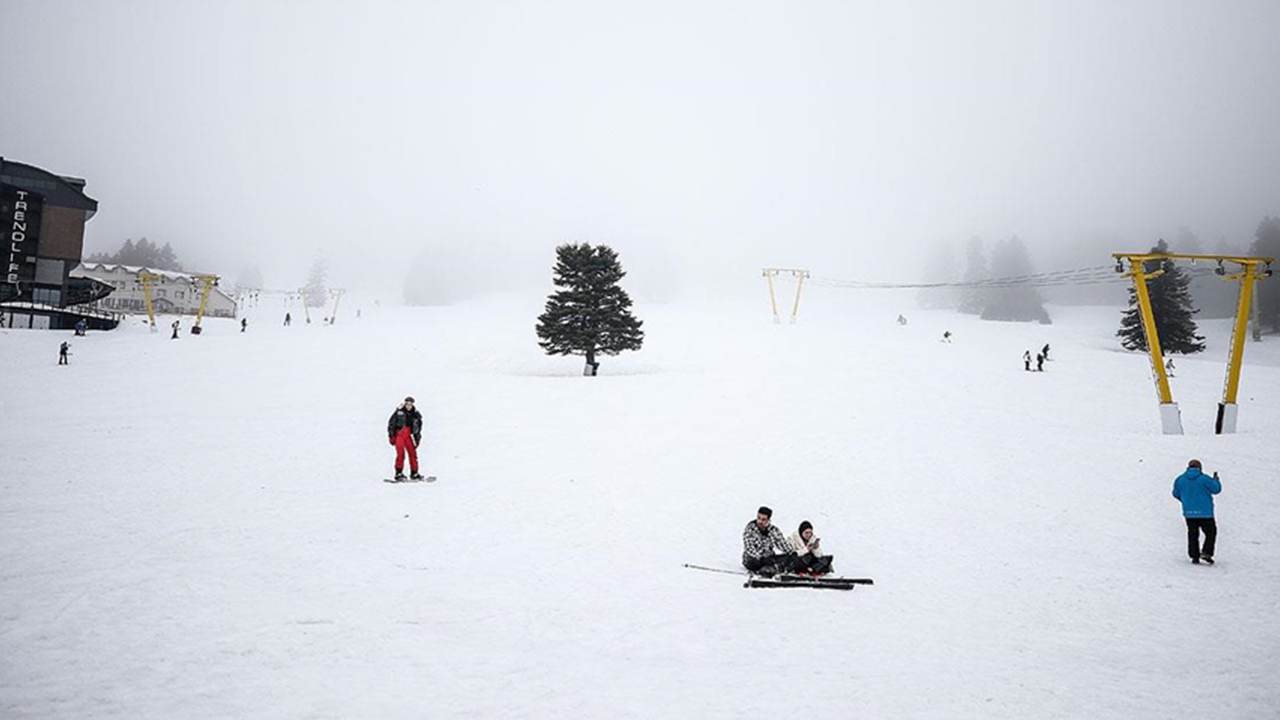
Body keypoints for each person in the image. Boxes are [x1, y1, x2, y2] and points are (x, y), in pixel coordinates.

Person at [1172, 459, 1221, 564]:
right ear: (1200, 468)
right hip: (1205, 512)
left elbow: (1175, 493)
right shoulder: (1204, 479)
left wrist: (1185, 500)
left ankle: (1194, 556)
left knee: (1193, 534)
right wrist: (1216, 480)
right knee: (1210, 532)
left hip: (1189, 513)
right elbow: (1216, 490)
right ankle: (1206, 552)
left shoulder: (1180, 479)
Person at [742, 506, 796, 576]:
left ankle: (771, 568)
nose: (760, 521)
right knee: (755, 561)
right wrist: (761, 557)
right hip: (753, 558)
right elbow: (749, 548)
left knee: (788, 558)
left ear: (768, 520)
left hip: (769, 557)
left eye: (763, 519)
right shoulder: (750, 529)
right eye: (759, 518)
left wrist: (793, 553)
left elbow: (783, 544)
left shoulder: (773, 530)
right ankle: (770, 568)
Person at [387, 396, 424, 481]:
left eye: (410, 404)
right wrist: (391, 436)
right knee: (401, 454)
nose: (408, 406)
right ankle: (398, 473)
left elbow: (418, 428)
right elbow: (391, 424)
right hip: (399, 434)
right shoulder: (399, 412)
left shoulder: (415, 414)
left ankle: (414, 472)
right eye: (407, 404)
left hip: (408, 435)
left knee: (413, 454)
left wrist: (417, 438)